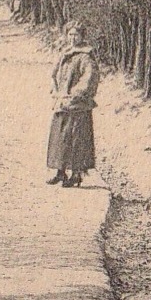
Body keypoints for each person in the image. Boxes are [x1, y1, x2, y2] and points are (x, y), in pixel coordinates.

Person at [47, 21, 101, 188]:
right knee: (59, 137)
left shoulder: (85, 56)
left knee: (77, 138)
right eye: (70, 34)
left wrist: (75, 94)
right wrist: (56, 89)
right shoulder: (66, 53)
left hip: (78, 105)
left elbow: (89, 79)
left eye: (76, 35)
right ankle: (60, 171)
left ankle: (76, 174)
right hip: (62, 102)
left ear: (81, 36)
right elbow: (55, 74)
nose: (72, 38)